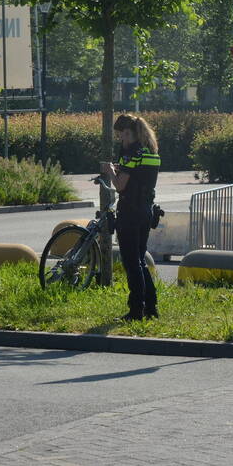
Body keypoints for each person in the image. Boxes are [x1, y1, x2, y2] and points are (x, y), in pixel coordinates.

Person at [100, 114, 161, 320]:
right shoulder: (150, 151)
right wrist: (121, 169)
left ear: (131, 133)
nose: (122, 140)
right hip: (146, 210)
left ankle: (136, 310)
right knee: (140, 260)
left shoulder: (131, 153)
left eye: (123, 135)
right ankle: (151, 307)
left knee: (131, 263)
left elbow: (120, 185)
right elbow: (139, 175)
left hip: (130, 212)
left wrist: (110, 170)